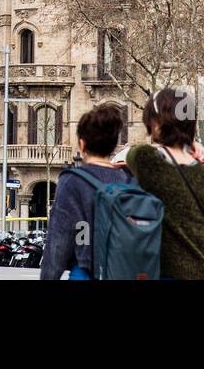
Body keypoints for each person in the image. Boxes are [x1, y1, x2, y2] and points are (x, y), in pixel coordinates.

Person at [124, 88, 204, 280]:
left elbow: (131, 155)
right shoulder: (200, 171)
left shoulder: (146, 159)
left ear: (157, 122)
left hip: (169, 272)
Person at [40, 102, 131, 280]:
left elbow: (58, 243)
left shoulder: (72, 182)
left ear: (82, 145)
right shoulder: (128, 180)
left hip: (87, 272)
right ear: (113, 145)